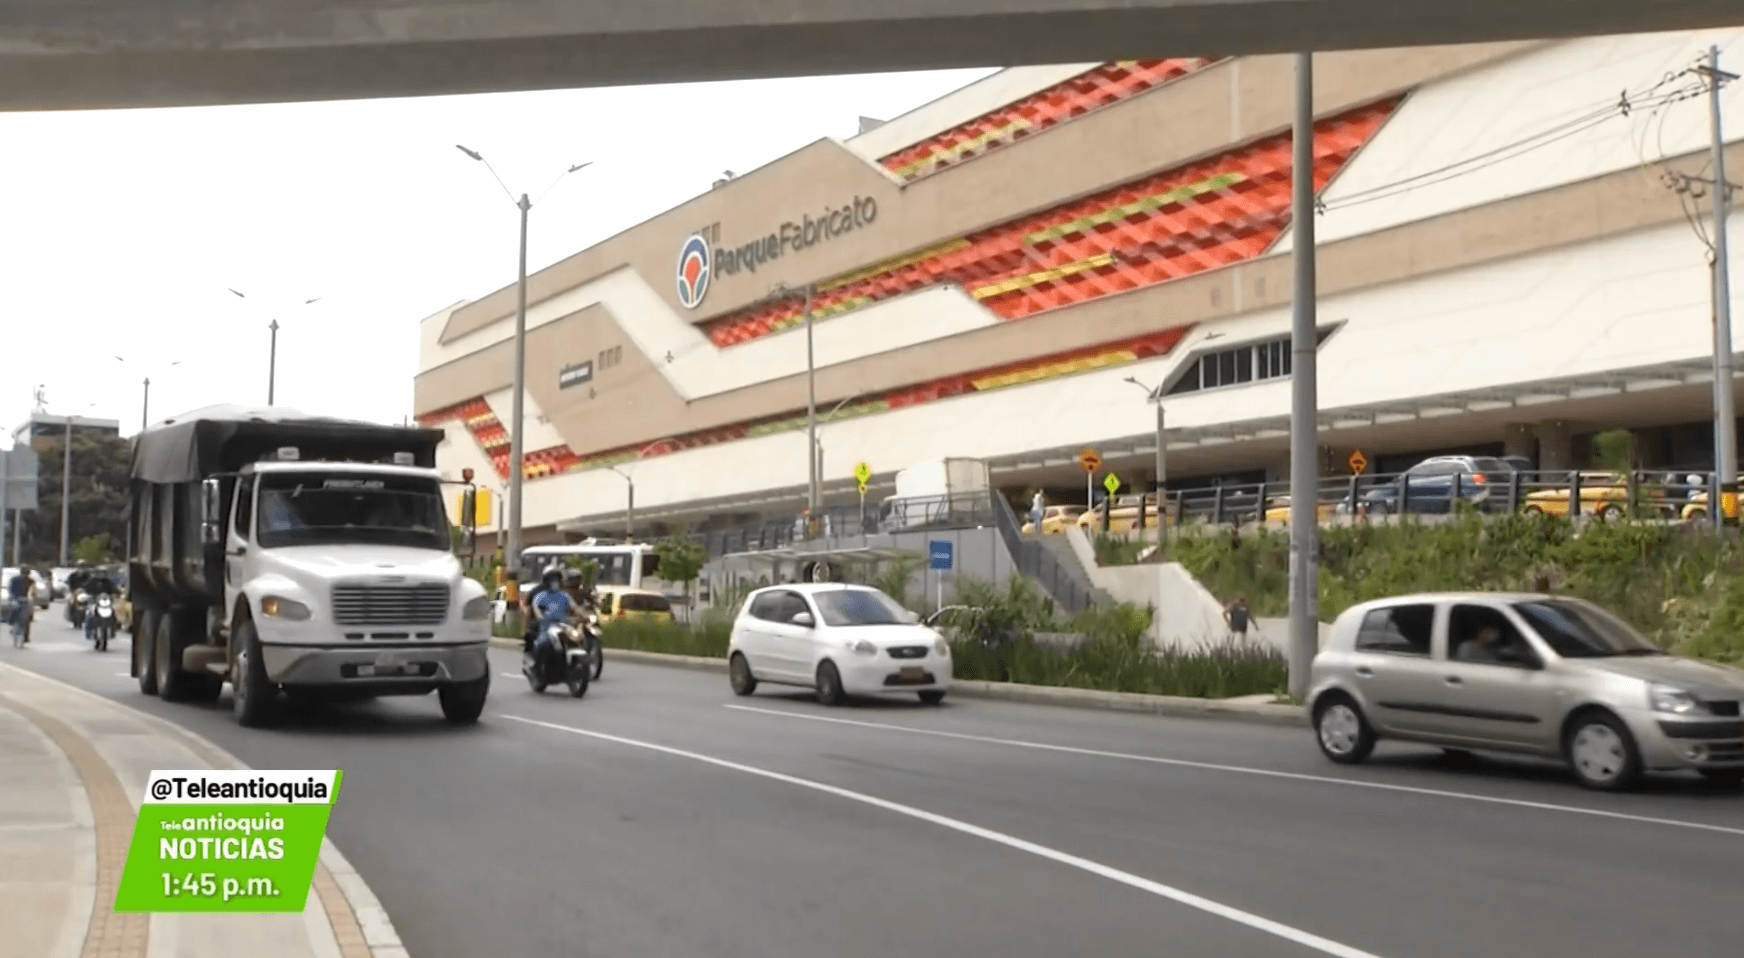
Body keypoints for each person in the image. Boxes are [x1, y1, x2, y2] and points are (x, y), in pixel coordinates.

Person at [529, 569, 577, 660]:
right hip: (546, 628)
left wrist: (583, 617)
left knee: (576, 642)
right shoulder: (540, 596)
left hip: (563, 626)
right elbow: (536, 610)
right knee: (542, 645)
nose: (556, 583)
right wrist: (540, 617)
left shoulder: (565, 596)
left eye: (558, 580)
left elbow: (575, 609)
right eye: (553, 580)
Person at [7, 566, 34, 644]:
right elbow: (10, 590)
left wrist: (32, 597)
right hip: (15, 598)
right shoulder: (14, 579)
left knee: (27, 618)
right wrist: (13, 597)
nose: (25, 575)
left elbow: (33, 590)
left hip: (24, 600)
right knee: (14, 609)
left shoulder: (30, 581)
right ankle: (12, 623)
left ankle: (25, 636)